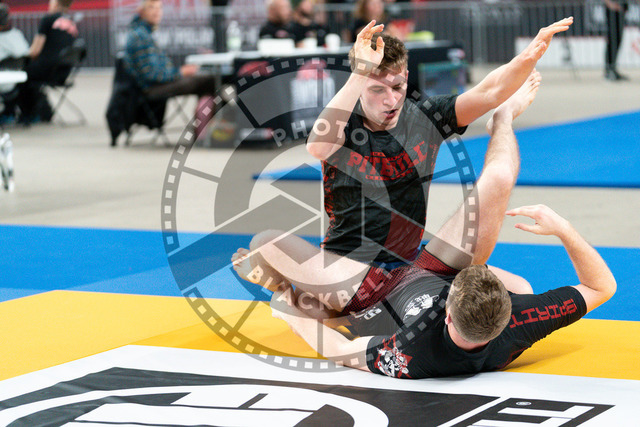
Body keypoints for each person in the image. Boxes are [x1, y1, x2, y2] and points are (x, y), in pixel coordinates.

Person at [232, 73, 617, 379]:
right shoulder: (521, 321)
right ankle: (503, 120)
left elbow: (338, 351)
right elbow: (602, 287)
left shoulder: (413, 352)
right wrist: (564, 228)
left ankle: (293, 292)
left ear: (447, 314)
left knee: (268, 246)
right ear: (506, 315)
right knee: (522, 274)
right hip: (433, 270)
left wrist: (288, 314)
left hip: (375, 297)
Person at [303, 19, 573, 309]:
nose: (391, 100)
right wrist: (360, 72)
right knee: (319, 313)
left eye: (398, 87)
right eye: (377, 90)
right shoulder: (343, 124)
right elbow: (317, 147)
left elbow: (488, 92)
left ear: (407, 76)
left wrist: (528, 57)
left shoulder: (425, 117)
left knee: (520, 291)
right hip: (349, 267)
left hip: (408, 264)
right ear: (359, 85)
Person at [123, 0, 217, 101]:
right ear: (141, 11)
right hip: (151, 89)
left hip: (155, 86)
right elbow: (151, 75)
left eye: (159, 7)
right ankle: (212, 110)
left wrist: (182, 71)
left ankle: (205, 110)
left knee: (208, 80)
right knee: (212, 81)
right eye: (151, 7)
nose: (157, 11)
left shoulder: (143, 33)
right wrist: (180, 72)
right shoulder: (140, 36)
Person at [17, 0, 78, 124]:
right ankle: (40, 111)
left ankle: (27, 114)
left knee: (19, 77)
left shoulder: (48, 20)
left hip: (46, 71)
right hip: (62, 73)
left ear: (55, 3)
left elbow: (35, 51)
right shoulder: (71, 22)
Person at [0, 4, 29, 121]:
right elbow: (27, 53)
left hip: (5, 83)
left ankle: (8, 112)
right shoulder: (17, 34)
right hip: (21, 80)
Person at [603, 0, 629, 81]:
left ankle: (613, 68)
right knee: (612, 40)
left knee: (618, 40)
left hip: (620, 9)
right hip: (613, 10)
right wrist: (610, 4)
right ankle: (609, 69)